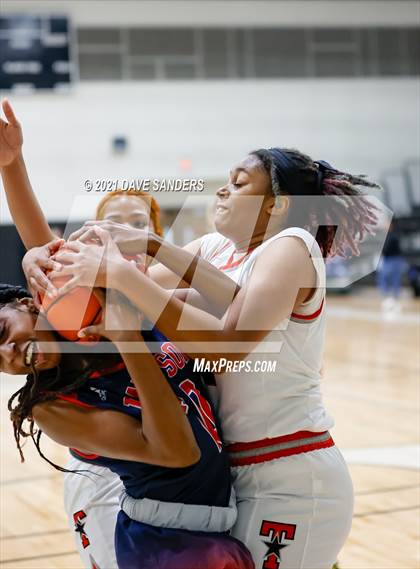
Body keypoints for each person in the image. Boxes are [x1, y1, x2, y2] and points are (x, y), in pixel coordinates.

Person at [58, 149, 380, 569]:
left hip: (288, 470)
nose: (224, 190)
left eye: (240, 182)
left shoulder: (291, 245)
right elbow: (125, 307)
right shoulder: (213, 249)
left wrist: (126, 272)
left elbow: (226, 345)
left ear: (278, 205)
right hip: (228, 479)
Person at [0, 100, 252, 568]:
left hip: (218, 518)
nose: (9, 351)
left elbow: (236, 323)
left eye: (137, 227)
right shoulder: (76, 337)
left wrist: (12, 166)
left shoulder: (142, 296)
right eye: (106, 228)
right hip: (152, 522)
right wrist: (12, 171)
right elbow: (43, 248)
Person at [0, 271, 254, 569]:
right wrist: (128, 339)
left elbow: (229, 300)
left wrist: (140, 281)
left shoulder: (120, 315)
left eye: (2, 331)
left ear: (28, 305)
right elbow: (179, 452)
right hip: (165, 544)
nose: (8, 353)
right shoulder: (50, 408)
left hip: (220, 526)